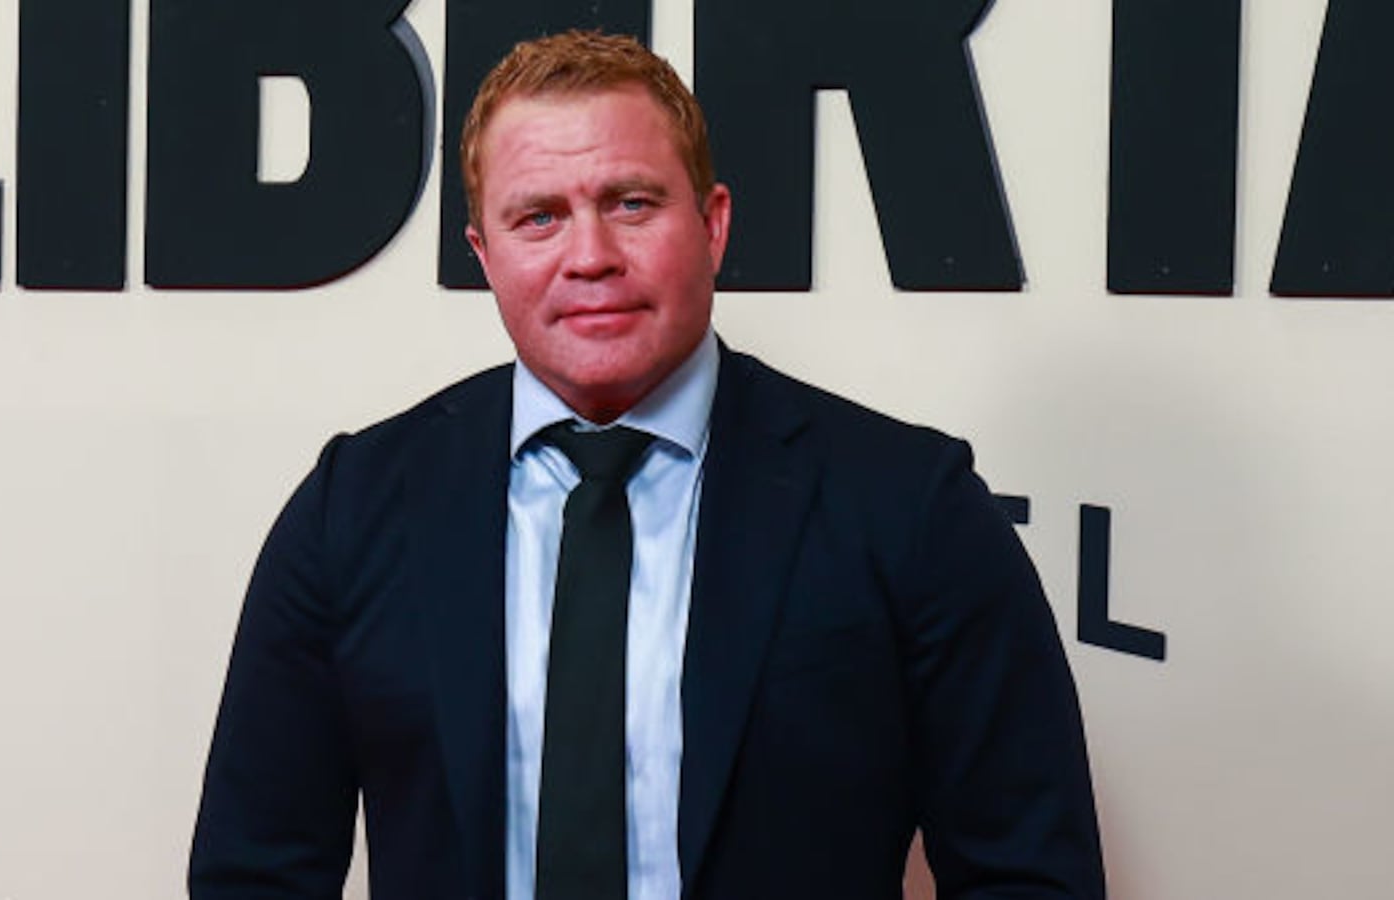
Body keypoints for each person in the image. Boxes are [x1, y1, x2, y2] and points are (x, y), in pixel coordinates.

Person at [190, 30, 1105, 900]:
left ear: (713, 225)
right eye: (538, 217)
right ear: (485, 255)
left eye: (631, 203)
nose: (590, 257)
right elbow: (255, 872)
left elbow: (1028, 871)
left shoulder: (912, 507)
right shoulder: (353, 509)